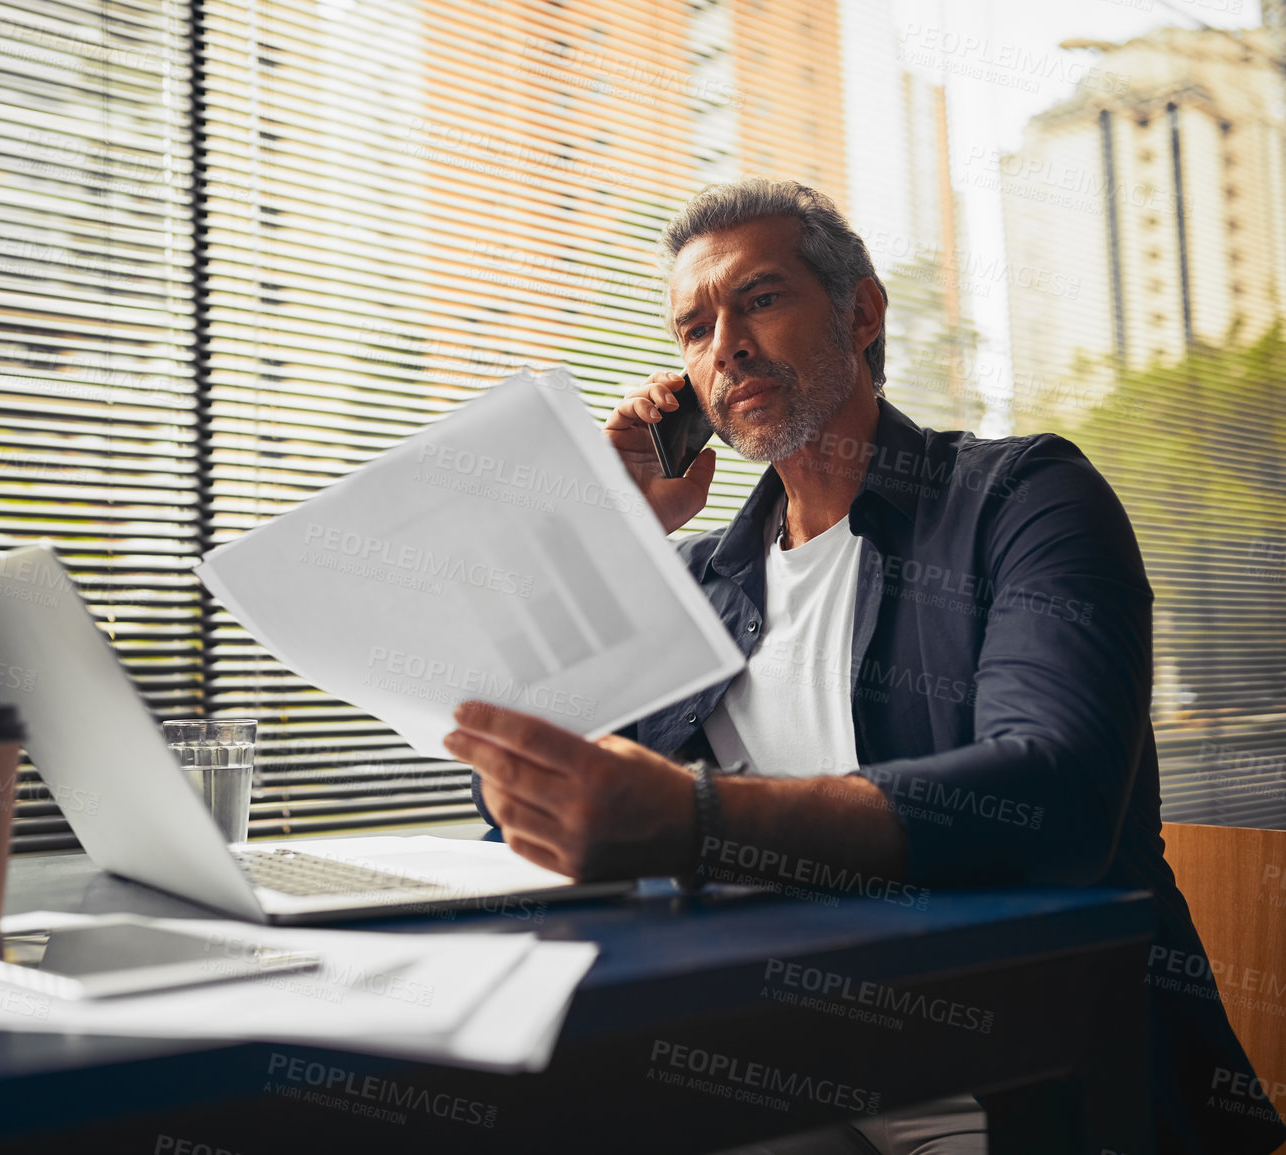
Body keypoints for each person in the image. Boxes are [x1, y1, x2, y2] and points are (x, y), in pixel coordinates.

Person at [442, 179, 1286, 1155]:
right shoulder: (695, 579)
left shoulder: (1024, 499)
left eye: (759, 300)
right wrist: (614, 536)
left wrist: (696, 820)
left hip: (1015, 1084)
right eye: (693, 328)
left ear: (863, 312)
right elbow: (517, 793)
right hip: (767, 1063)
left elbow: (1055, 793)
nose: (727, 347)